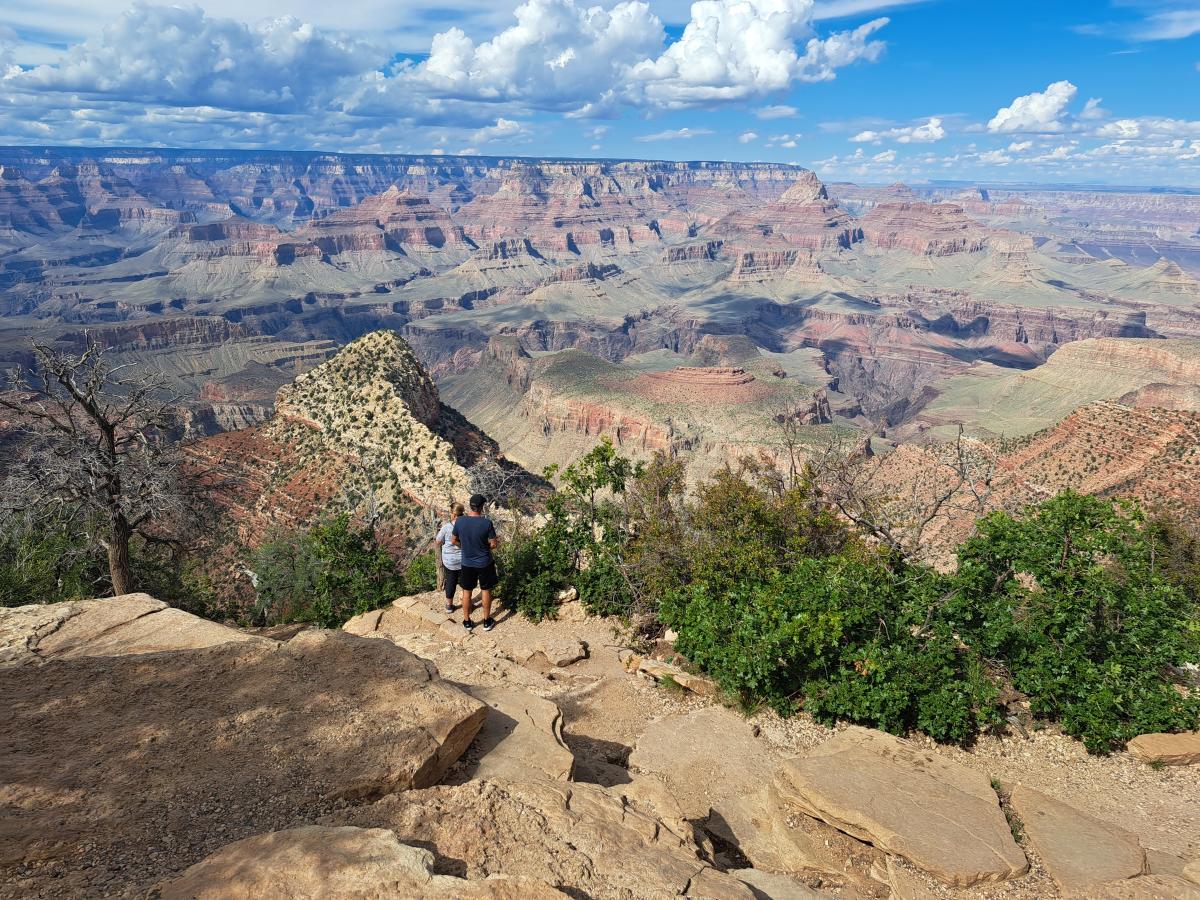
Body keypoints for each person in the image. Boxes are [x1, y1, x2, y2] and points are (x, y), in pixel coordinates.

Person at [452, 493, 499, 631]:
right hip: (484, 562)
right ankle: (486, 621)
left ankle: (467, 621)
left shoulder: (460, 521)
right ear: (482, 507)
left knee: (467, 592)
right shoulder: (486, 523)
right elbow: (494, 544)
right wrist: (485, 546)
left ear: (470, 506)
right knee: (486, 590)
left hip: (467, 562)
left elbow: (453, 540)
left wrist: (465, 546)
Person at [434, 504, 464, 613]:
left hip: (449, 561)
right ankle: (466, 603)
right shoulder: (466, 525)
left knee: (451, 581)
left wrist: (445, 542)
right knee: (465, 582)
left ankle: (449, 606)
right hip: (463, 559)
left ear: (454, 514)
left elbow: (438, 541)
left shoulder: (447, 527)